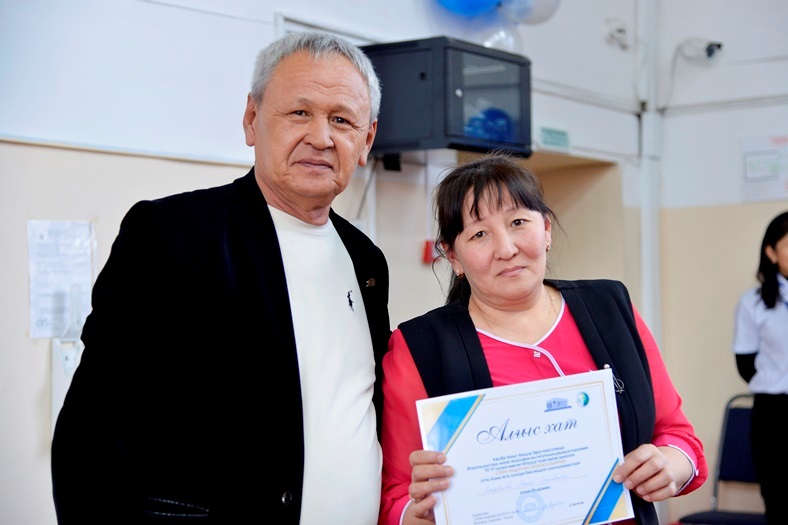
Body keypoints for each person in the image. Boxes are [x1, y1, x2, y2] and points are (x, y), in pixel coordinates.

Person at [51, 31, 391, 524]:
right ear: (252, 118)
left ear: (367, 140)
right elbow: (92, 433)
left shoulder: (366, 262)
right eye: (300, 112)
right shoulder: (171, 236)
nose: (321, 137)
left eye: (341, 119)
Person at [378, 154, 708, 525]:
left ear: (546, 229)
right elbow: (395, 494)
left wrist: (669, 466)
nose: (506, 249)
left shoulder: (610, 309)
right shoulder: (422, 347)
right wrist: (417, 514)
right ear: (453, 256)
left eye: (518, 222)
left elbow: (678, 436)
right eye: (479, 234)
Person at [732, 210, 788, 525]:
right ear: (771, 252)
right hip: (774, 415)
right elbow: (746, 365)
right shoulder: (753, 303)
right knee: (779, 504)